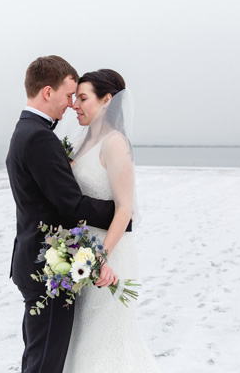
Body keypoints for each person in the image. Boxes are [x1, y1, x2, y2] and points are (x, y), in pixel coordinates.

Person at [6, 56, 130, 373]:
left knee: (38, 356)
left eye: (79, 97)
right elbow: (71, 205)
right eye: (68, 95)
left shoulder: (25, 130)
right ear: (48, 92)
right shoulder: (39, 137)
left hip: (35, 259)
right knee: (45, 362)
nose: (71, 104)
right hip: (49, 267)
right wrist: (122, 215)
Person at [62, 69, 161, 372]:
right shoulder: (81, 142)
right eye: (74, 97)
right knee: (83, 340)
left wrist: (100, 256)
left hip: (111, 256)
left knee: (107, 342)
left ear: (107, 100)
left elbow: (125, 208)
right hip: (83, 256)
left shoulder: (115, 142)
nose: (74, 105)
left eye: (82, 98)